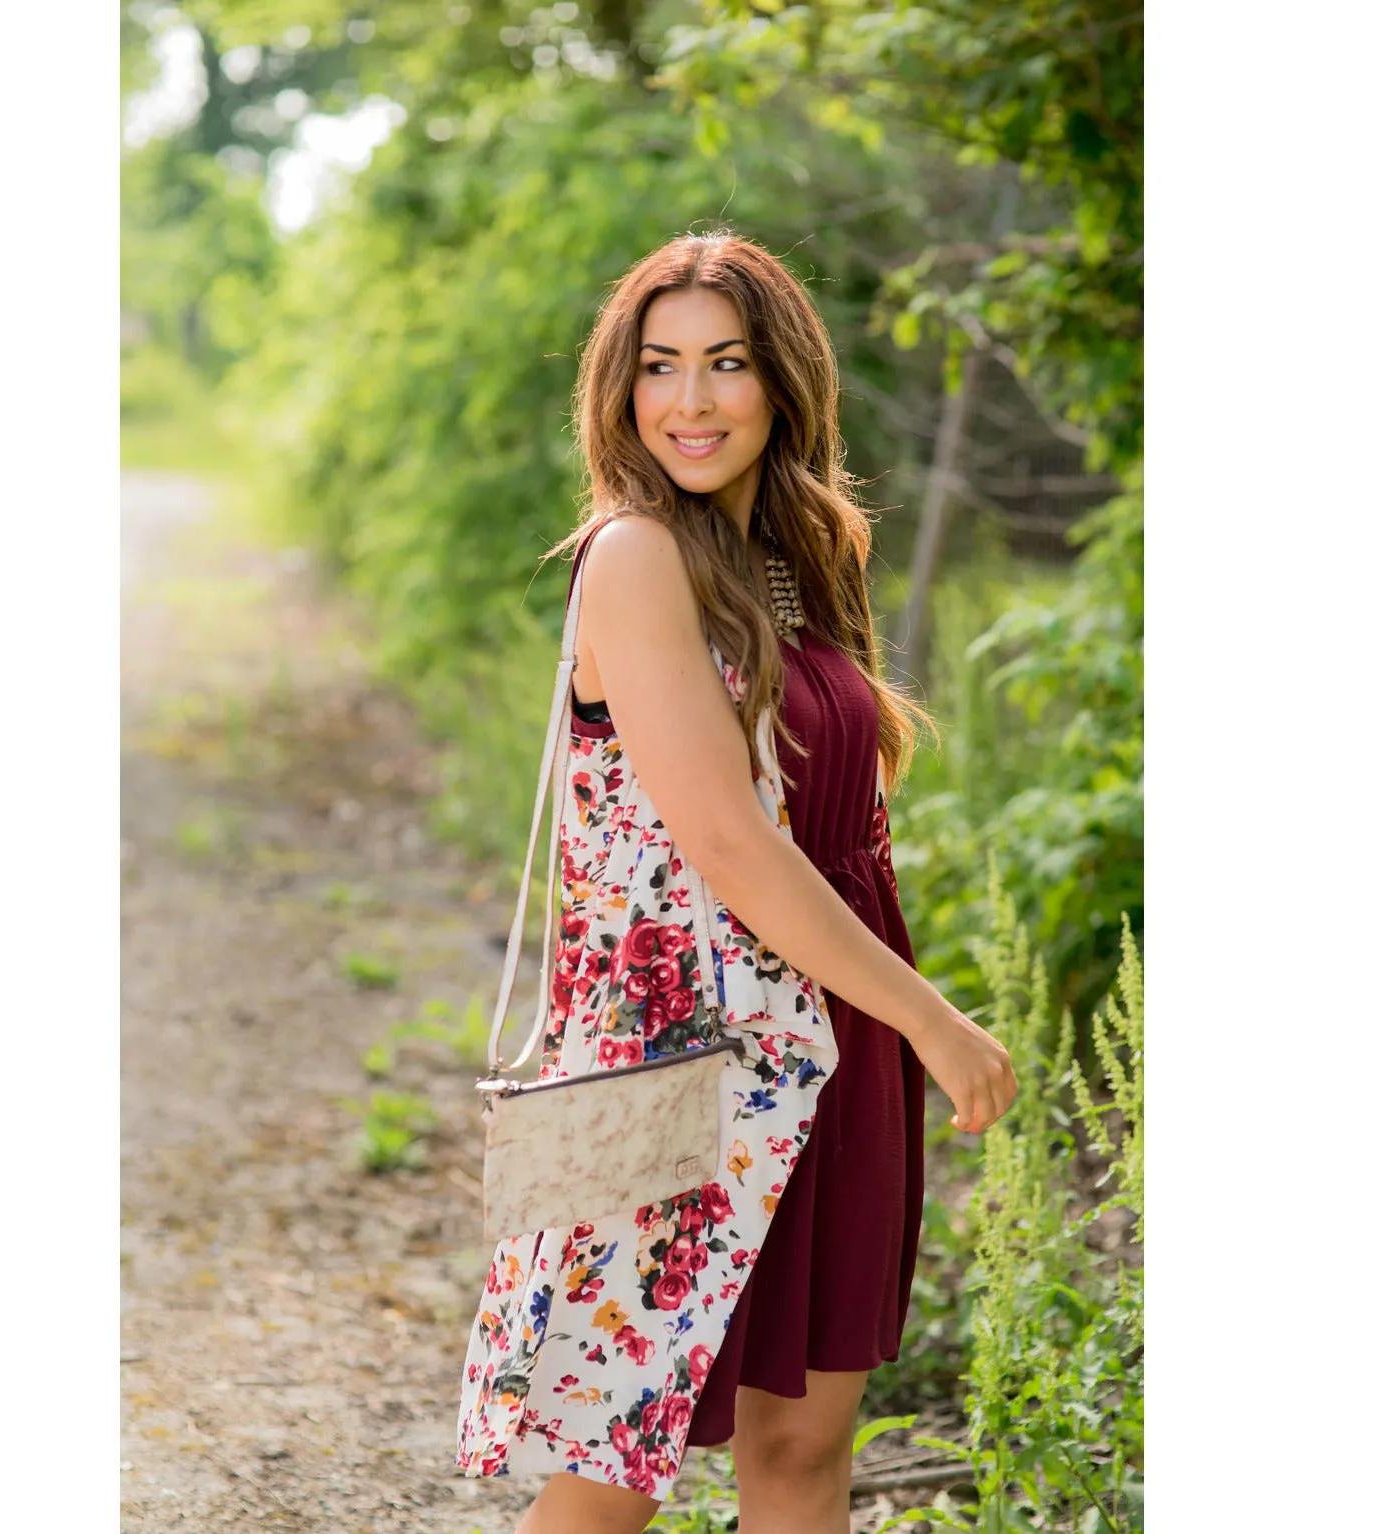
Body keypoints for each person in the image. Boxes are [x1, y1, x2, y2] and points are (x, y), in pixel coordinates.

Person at [454, 231, 1017, 1534]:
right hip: (674, 1057)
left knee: (803, 1451)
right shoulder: (633, 554)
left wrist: (887, 1017)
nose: (690, 400)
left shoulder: (806, 548)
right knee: (608, 1475)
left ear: (781, 383)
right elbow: (725, 838)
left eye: (725, 363)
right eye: (659, 366)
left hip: (831, 1029)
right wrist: (934, 1016)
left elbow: (833, 813)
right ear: (621, 387)